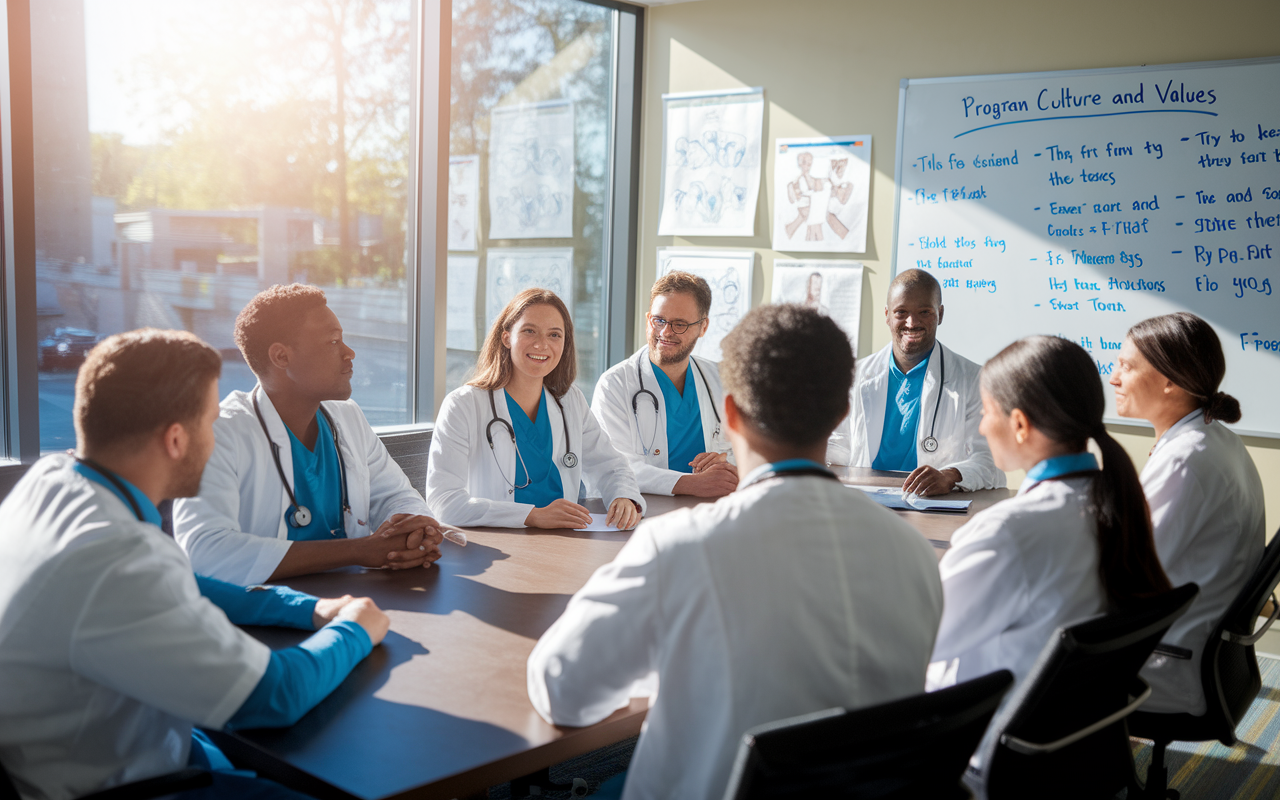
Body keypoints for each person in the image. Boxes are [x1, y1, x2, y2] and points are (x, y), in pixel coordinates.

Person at [528, 305, 944, 800]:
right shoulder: (915, 553)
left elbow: (562, 692)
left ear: (730, 415)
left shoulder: (681, 546)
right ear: (841, 416)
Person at [0, 329, 391, 800]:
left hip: (120, 733)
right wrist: (354, 629)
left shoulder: (55, 480)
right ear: (176, 440)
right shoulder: (117, 557)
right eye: (210, 424)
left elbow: (185, 583)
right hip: (124, 784)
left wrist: (306, 609)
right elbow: (275, 697)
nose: (215, 438)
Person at [928, 335, 1171, 765]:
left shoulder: (1008, 532)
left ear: (1020, 425)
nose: (982, 428)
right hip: (1075, 745)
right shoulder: (1115, 502)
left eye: (986, 412)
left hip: (991, 752)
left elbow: (922, 643)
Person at [173, 284, 444, 586]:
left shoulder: (347, 416)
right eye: (333, 341)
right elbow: (204, 552)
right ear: (281, 357)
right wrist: (357, 550)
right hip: (263, 617)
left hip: (357, 598)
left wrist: (415, 530)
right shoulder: (220, 433)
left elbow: (396, 495)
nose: (349, 353)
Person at [1110, 312, 1265, 715]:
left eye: (1126, 367)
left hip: (1169, 662)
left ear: (1169, 381)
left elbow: (1126, 575)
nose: (1113, 378)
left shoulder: (1184, 459)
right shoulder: (1216, 439)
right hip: (1207, 650)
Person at [427, 288, 644, 529]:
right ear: (506, 337)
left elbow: (611, 465)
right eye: (529, 331)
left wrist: (623, 496)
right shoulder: (463, 405)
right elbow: (444, 503)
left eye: (554, 335)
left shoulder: (569, 401)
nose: (542, 344)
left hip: (566, 541)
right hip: (497, 547)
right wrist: (532, 516)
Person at [827, 269, 1004, 495]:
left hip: (935, 505)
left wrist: (949, 476)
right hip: (866, 500)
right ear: (887, 315)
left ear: (940, 314)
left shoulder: (973, 379)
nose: (912, 322)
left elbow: (990, 462)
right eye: (901, 312)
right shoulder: (855, 376)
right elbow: (837, 448)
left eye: (924, 311)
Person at [590, 271, 736, 498]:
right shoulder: (614, 385)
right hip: (642, 513)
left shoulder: (722, 379)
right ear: (649, 319)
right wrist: (692, 484)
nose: (666, 332)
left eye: (680, 324)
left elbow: (756, 449)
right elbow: (616, 466)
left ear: (703, 327)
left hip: (712, 510)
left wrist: (727, 463)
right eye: (659, 320)